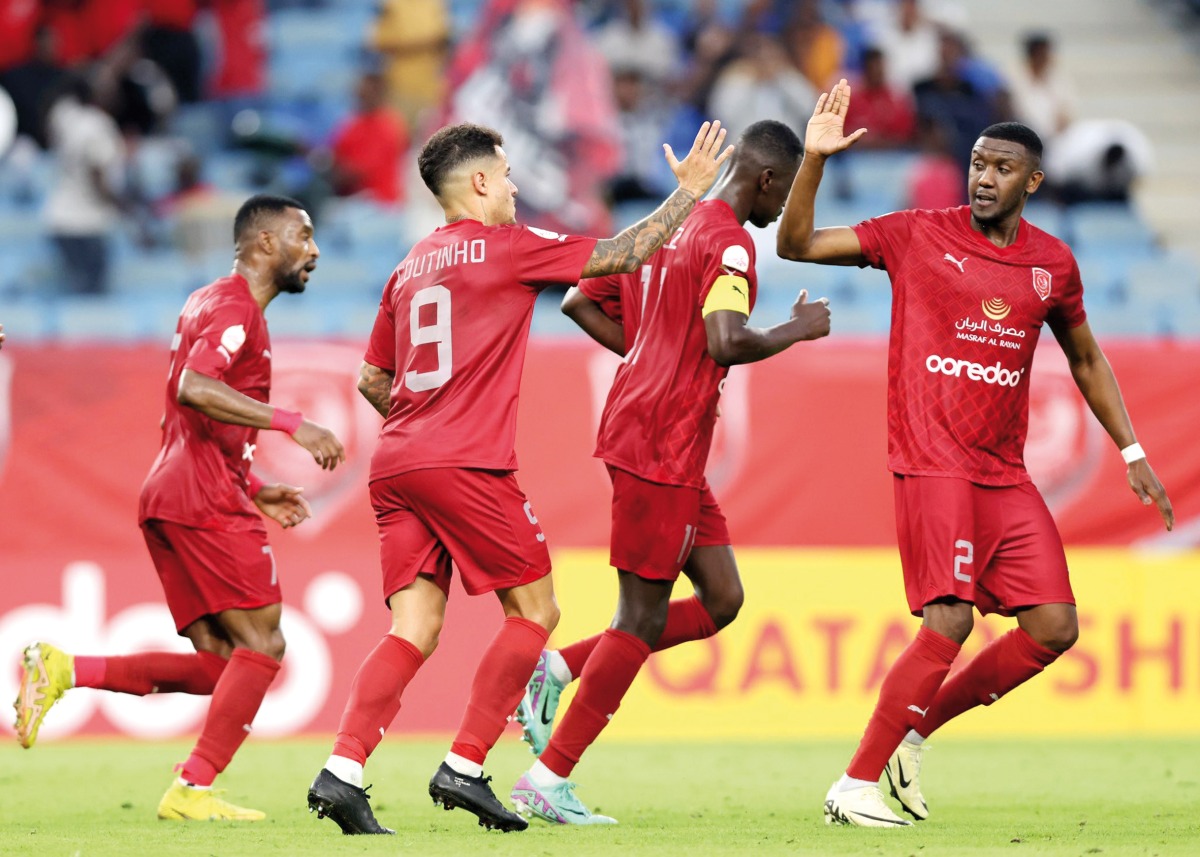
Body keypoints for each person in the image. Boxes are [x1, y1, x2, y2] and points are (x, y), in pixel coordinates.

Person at [304, 119, 732, 835]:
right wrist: (686, 194)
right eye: (504, 175)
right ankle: (465, 766)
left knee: (414, 623)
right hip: (462, 460)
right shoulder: (508, 247)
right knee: (536, 612)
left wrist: (423, 415)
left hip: (397, 460)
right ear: (476, 183)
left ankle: (342, 771)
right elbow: (622, 252)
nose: (513, 187)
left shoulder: (408, 266)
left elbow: (373, 376)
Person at [775, 81, 1174, 828]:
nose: (984, 177)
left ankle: (913, 733)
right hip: (933, 460)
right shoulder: (917, 233)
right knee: (950, 619)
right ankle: (853, 783)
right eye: (978, 163)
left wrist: (1133, 448)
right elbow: (796, 244)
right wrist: (815, 162)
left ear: (1033, 180)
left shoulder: (1052, 265)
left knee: (1054, 626)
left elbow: (1085, 358)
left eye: (1001, 167)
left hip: (1003, 471)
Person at [507, 119, 832, 825]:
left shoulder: (669, 224)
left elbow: (578, 299)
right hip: (661, 444)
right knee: (640, 615)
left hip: (658, 439)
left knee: (721, 597)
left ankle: (557, 668)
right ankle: (547, 776)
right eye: (781, 196)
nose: (778, 214)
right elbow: (726, 339)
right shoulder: (730, 244)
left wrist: (655, 352)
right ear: (767, 179)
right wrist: (794, 331)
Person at [13, 194, 347, 822]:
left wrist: (254, 488)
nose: (316, 250)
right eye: (304, 236)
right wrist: (291, 424)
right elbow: (195, 387)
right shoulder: (233, 306)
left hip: (179, 491)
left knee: (225, 667)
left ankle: (63, 668)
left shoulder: (206, 301)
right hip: (201, 498)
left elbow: (185, 411)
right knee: (267, 645)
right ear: (266, 244)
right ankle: (192, 788)